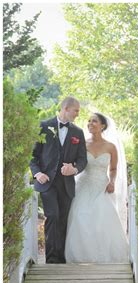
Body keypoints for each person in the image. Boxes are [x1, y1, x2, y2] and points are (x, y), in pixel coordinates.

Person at [30, 97, 88, 264]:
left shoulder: (78, 132)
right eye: (76, 110)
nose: (78, 114)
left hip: (66, 185)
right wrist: (38, 173)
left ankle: (60, 260)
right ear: (66, 108)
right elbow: (32, 156)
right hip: (47, 182)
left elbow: (83, 159)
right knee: (53, 216)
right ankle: (51, 260)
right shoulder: (43, 126)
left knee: (62, 220)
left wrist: (74, 169)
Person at [65, 113, 129, 263]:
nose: (90, 123)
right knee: (80, 216)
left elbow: (113, 169)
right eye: (88, 121)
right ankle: (81, 256)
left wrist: (112, 182)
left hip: (102, 186)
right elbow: (76, 163)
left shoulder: (111, 147)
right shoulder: (82, 144)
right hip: (83, 185)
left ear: (102, 126)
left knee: (101, 219)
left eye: (94, 121)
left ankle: (102, 256)